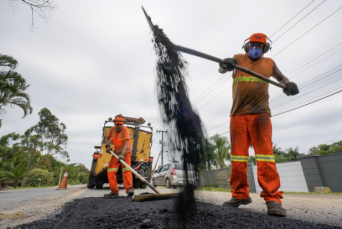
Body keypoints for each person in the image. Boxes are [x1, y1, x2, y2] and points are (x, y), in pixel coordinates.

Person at [218, 33, 299, 217]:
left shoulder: (269, 63)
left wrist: (289, 84)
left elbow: (282, 78)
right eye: (253, 45)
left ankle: (273, 200)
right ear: (247, 46)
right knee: (238, 158)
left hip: (260, 115)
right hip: (237, 115)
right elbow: (222, 70)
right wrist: (225, 64)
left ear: (265, 49)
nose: (256, 48)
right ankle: (239, 195)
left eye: (260, 46)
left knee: (265, 157)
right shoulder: (238, 59)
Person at [104, 117, 134, 198]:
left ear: (122, 124)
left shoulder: (125, 130)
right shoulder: (112, 129)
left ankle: (129, 190)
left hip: (126, 152)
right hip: (116, 152)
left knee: (126, 169)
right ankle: (114, 191)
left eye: (120, 125)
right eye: (117, 124)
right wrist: (108, 145)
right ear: (114, 124)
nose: (119, 126)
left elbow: (126, 143)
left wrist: (122, 155)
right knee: (110, 170)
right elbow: (108, 138)